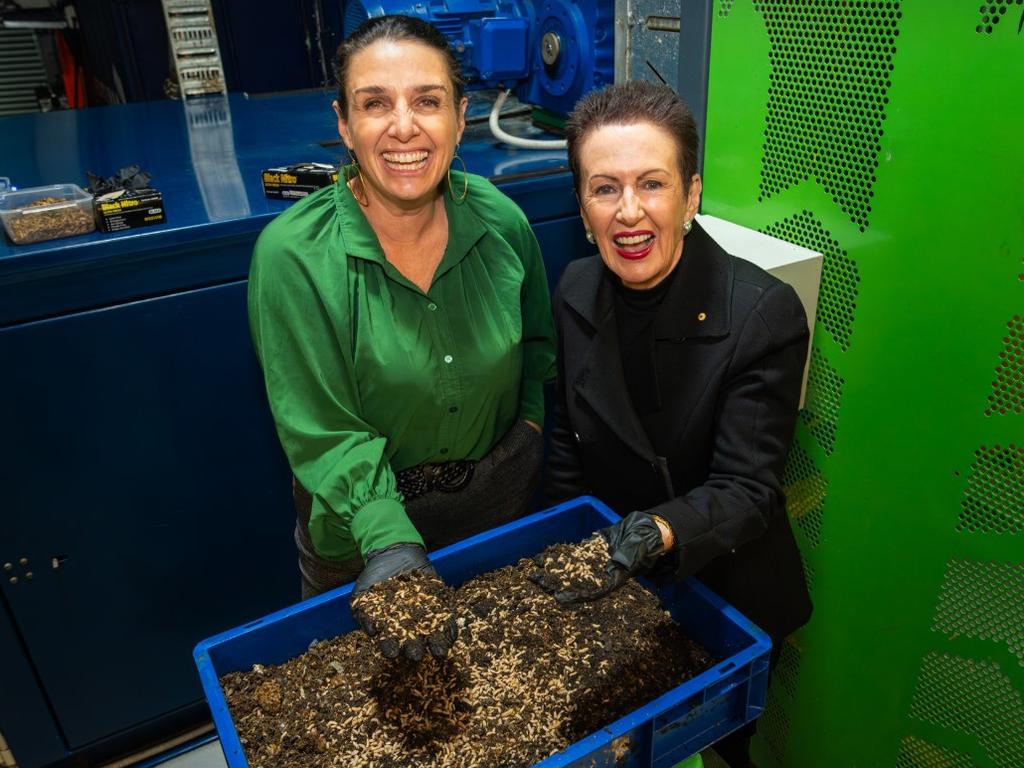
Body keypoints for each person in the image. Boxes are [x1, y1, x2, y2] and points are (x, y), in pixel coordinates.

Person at [248, 15, 555, 661]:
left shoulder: (501, 222)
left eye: (427, 101)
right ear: (343, 124)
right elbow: (321, 431)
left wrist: (525, 432)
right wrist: (389, 545)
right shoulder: (294, 258)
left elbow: (537, 349)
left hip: (494, 509)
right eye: (375, 104)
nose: (404, 126)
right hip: (361, 536)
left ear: (461, 115)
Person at [543, 81, 812, 767]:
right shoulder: (574, 289)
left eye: (652, 184)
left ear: (690, 196)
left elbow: (748, 489)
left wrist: (656, 530)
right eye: (604, 188)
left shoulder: (761, 314)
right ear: (581, 206)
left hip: (724, 592)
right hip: (620, 585)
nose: (629, 212)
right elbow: (566, 446)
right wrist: (570, 546)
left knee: (715, 747)